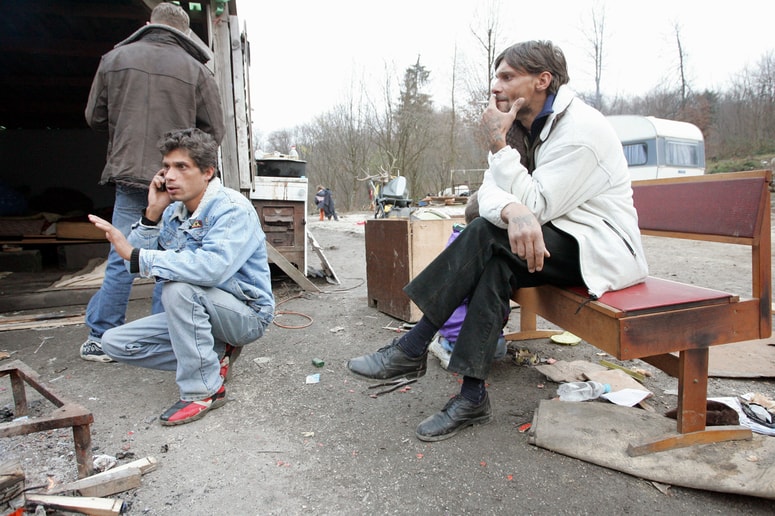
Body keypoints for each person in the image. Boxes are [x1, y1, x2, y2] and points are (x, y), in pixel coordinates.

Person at [347, 40, 648, 442]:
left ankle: (413, 345)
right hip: (549, 238)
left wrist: (502, 159)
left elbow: (538, 205)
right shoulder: (520, 128)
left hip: (598, 247)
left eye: (507, 77)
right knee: (495, 263)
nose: (495, 87)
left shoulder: (582, 130)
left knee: (485, 234)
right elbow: (488, 194)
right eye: (496, 77)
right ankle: (471, 396)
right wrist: (512, 209)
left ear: (542, 80)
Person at [89, 128, 274, 426]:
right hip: (201, 312)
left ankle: (204, 391)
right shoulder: (173, 211)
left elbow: (211, 268)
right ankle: (213, 358)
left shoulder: (231, 208)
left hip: (246, 315)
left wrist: (138, 256)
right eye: (166, 167)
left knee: (177, 288)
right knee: (114, 343)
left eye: (181, 167)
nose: (170, 176)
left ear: (207, 172)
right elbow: (132, 265)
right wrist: (152, 213)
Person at [81, 2, 225, 362]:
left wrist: (125, 133)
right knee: (172, 257)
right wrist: (187, 163)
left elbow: (94, 117)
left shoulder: (114, 59)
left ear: (149, 23)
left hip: (129, 172)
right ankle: (165, 334)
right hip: (177, 179)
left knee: (123, 254)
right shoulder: (197, 70)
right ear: (184, 32)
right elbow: (214, 132)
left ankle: (101, 337)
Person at [428, 192, 508, 370]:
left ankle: (455, 343)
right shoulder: (467, 252)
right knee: (487, 351)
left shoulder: (474, 243)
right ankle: (443, 344)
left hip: (479, 319)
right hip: (458, 322)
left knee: (498, 351)